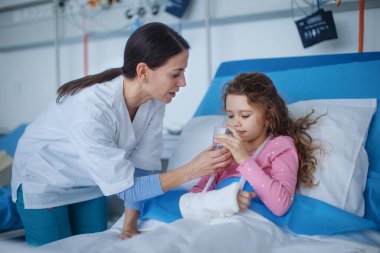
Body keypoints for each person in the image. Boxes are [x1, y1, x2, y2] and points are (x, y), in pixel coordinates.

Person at [11, 22, 232, 246]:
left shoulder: (153, 102)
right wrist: (192, 170)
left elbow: (143, 168)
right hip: (46, 180)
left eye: (183, 72)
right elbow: (129, 188)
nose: (182, 83)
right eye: (176, 74)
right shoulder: (91, 111)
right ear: (143, 71)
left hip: (88, 182)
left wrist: (129, 224)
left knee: (95, 246)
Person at [186, 72, 321, 217]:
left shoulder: (280, 146)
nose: (235, 123)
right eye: (230, 115)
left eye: (244, 115)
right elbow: (194, 199)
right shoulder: (225, 152)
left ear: (268, 116)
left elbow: (280, 205)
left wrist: (244, 160)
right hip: (217, 220)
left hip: (255, 223)